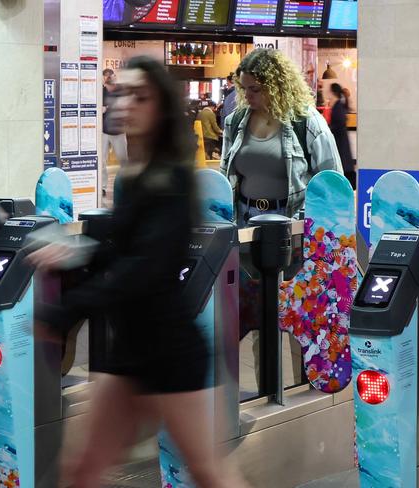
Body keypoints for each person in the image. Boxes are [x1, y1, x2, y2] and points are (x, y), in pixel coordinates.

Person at [28, 56, 249, 488]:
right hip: (131, 348)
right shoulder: (131, 176)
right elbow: (123, 252)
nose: (127, 102)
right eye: (121, 92)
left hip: (169, 350)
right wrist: (76, 252)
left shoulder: (171, 179)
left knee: (209, 473)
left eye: (140, 95)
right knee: (81, 470)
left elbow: (146, 268)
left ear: (161, 108)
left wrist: (66, 309)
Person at [220, 49, 342, 227]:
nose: (247, 95)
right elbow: (225, 176)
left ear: (276, 85)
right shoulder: (235, 122)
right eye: (243, 88)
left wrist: (314, 227)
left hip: (292, 221)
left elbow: (332, 181)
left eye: (255, 89)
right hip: (243, 220)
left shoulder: (307, 121)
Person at [102, 68, 128, 196]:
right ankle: (102, 186)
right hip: (104, 131)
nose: (108, 79)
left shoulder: (121, 91)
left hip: (119, 130)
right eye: (106, 77)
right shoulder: (101, 92)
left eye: (110, 77)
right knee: (102, 160)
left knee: (123, 159)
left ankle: (127, 184)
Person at [329, 83, 355, 189]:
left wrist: (329, 129)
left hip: (340, 140)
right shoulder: (339, 104)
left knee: (343, 163)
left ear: (333, 92)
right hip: (341, 139)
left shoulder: (338, 105)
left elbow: (339, 122)